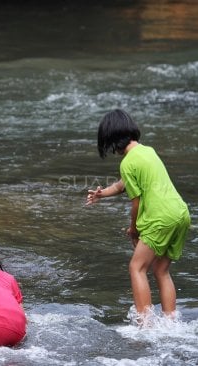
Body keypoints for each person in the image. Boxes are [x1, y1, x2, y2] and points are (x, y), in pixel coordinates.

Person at [86, 109, 190, 324]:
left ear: (111, 139)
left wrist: (134, 230)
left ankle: (145, 324)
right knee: (161, 270)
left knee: (137, 267)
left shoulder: (127, 162)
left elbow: (137, 202)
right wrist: (103, 193)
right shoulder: (147, 151)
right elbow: (124, 183)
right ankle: (170, 323)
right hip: (180, 214)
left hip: (159, 218)